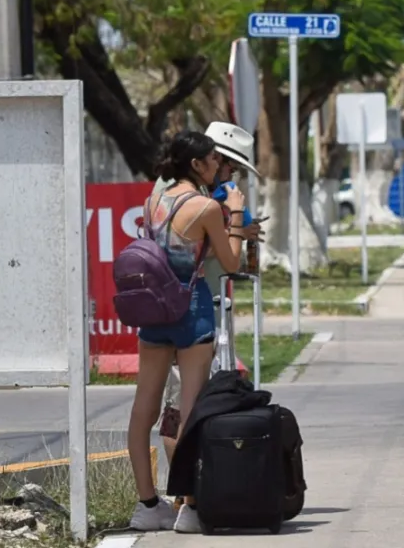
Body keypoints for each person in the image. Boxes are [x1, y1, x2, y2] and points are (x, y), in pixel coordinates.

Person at [127, 130, 249, 533]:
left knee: (143, 409)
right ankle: (190, 509)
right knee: (191, 412)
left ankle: (148, 505)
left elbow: (179, 247)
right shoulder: (205, 206)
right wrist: (233, 213)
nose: (218, 166)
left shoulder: (153, 199)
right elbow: (230, 262)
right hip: (191, 311)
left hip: (154, 310)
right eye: (213, 160)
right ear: (197, 164)